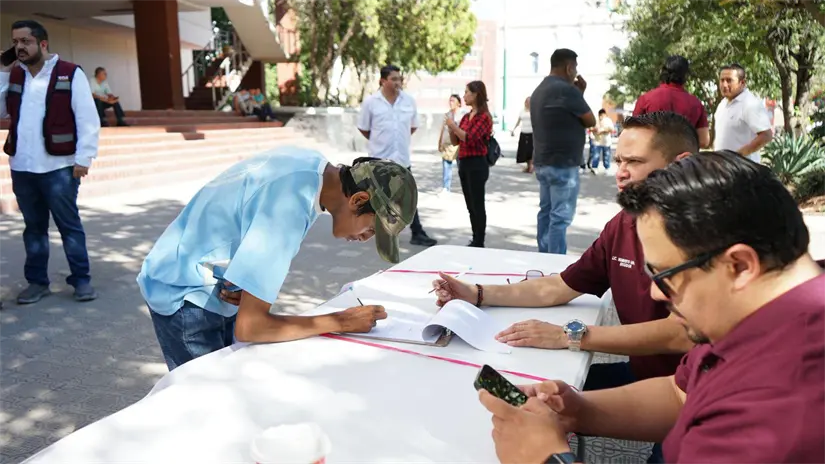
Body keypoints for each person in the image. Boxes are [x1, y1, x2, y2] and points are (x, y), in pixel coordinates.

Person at [478, 150, 825, 464]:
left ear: (739, 266)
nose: (657, 294)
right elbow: (680, 394)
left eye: (664, 275)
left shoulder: (781, 408)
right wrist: (574, 410)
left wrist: (545, 459)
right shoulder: (755, 318)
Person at [435, 111, 701, 463]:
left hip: (688, 398)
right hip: (669, 388)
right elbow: (561, 285)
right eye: (618, 159)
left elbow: (682, 336)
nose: (619, 172)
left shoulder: (706, 235)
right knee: (550, 398)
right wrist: (479, 293)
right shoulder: (622, 225)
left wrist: (572, 336)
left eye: (633, 162)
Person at [137, 147, 417, 370]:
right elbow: (252, 326)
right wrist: (342, 321)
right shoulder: (289, 207)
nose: (365, 239)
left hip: (209, 281)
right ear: (357, 199)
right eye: (371, 229)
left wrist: (245, 284)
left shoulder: (312, 166)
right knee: (209, 407)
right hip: (184, 292)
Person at [0, 20, 100, 304]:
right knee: (33, 228)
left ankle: (81, 280)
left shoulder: (70, 73)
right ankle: (37, 282)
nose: (19, 47)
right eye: (15, 41)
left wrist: (84, 158)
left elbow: (87, 118)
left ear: (42, 44)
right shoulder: (15, 76)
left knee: (69, 226)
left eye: (25, 41)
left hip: (60, 168)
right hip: (23, 167)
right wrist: (2, 71)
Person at [358, 64, 437, 247]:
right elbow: (364, 128)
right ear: (383, 81)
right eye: (393, 79)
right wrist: (380, 142)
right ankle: (377, 232)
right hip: (379, 159)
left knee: (408, 196)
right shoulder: (371, 102)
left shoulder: (408, 101)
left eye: (399, 79)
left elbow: (413, 126)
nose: (398, 82)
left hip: (402, 158)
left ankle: (417, 232)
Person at [530, 48, 596, 254]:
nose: (575, 72)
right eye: (574, 67)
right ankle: (555, 264)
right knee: (560, 217)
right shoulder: (566, 91)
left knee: (546, 213)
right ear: (568, 67)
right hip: (563, 163)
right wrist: (578, 93)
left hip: (543, 161)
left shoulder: (539, 89)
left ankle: (544, 255)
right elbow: (590, 120)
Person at [445, 81, 493, 248]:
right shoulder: (466, 116)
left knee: (477, 203)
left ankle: (480, 240)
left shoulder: (484, 117)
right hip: (464, 162)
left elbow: (470, 138)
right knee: (470, 204)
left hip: (477, 163)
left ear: (476, 94)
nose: (464, 96)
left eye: (467, 93)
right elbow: (456, 141)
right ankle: (475, 236)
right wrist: (451, 129)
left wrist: (454, 127)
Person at [633, 55, 710, 148]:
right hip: (685, 159)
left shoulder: (646, 99)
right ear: (685, 75)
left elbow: (633, 132)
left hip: (653, 156)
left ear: (662, 72)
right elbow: (704, 141)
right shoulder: (696, 104)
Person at [713, 63, 773, 163]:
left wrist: (737, 156)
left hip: (743, 170)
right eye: (722, 80)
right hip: (723, 169)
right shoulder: (722, 104)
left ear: (742, 83)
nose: (724, 85)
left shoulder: (750, 103)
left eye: (729, 80)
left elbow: (766, 136)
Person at [436, 94, 462, 194]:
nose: (451, 103)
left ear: (459, 103)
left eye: (453, 101)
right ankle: (446, 188)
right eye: (450, 100)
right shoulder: (447, 115)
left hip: (459, 144)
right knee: (447, 166)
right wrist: (439, 142)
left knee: (462, 168)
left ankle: (466, 186)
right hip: (448, 144)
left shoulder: (462, 115)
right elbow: (443, 129)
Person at [511, 97, 534, 173]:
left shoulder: (534, 111)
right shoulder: (522, 111)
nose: (528, 103)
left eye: (529, 102)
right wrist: (513, 129)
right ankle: (528, 166)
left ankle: (531, 166)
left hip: (531, 133)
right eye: (526, 102)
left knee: (530, 150)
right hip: (523, 132)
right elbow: (518, 121)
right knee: (524, 150)